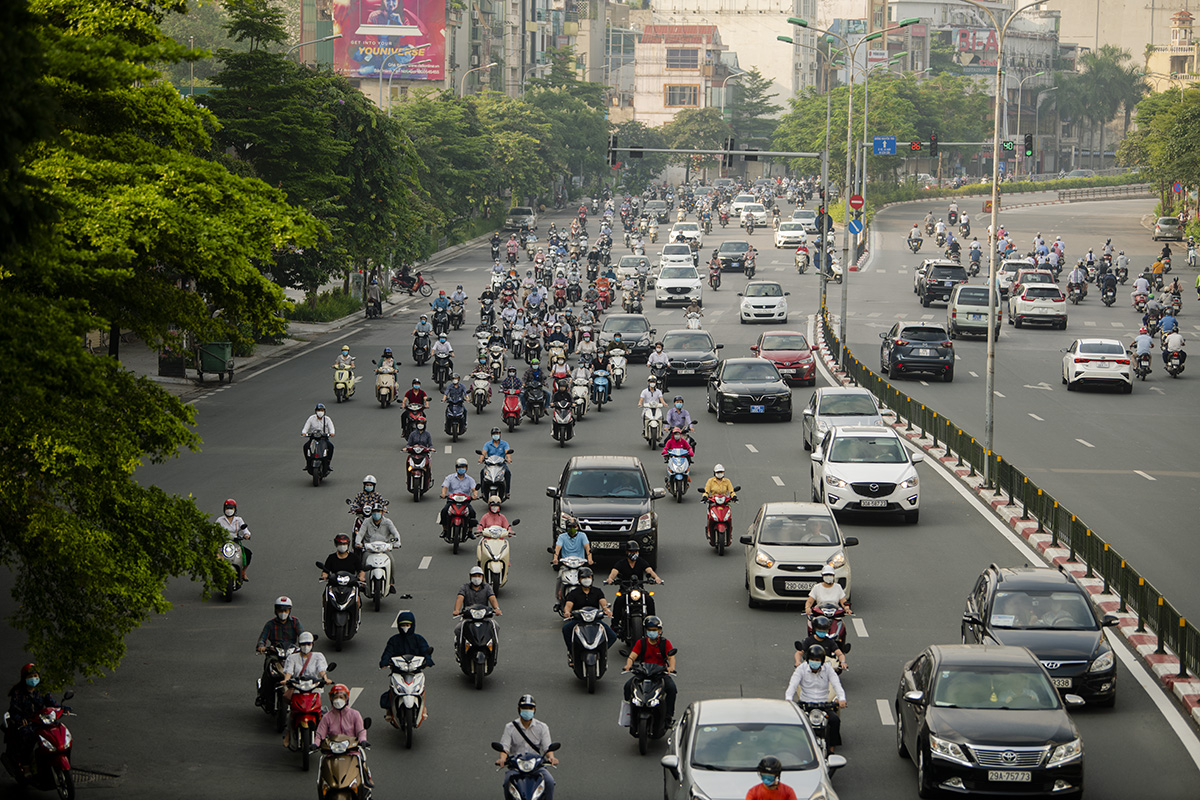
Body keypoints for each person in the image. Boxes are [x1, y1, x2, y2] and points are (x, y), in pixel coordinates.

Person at [784, 644, 846, 754]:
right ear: (808, 660)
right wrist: (788, 700)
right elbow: (792, 686)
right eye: (812, 659)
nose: (814, 662)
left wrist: (842, 699)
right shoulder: (801, 669)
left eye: (817, 660)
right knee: (794, 724)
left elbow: (836, 684)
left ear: (822, 661)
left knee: (835, 720)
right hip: (805, 704)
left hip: (823, 705)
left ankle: (831, 747)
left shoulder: (828, 669)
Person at [495, 695, 558, 797]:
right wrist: (502, 759)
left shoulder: (542, 727)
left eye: (530, 708)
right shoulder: (510, 727)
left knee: (549, 781)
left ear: (534, 710)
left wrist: (551, 758)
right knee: (507, 782)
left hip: (536, 766)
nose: (527, 710)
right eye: (524, 708)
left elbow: (547, 748)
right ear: (519, 709)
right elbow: (504, 748)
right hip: (516, 767)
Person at [379, 611, 434, 726]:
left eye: (408, 625)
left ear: (412, 625)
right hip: (398, 672)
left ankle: (422, 707)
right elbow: (387, 653)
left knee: (421, 690)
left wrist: (428, 661)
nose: (405, 628)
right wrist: (384, 662)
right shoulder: (394, 640)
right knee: (392, 690)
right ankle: (389, 710)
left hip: (415, 671)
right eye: (403, 625)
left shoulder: (419, 639)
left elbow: (425, 651)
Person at [5, 664, 66, 768]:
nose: (34, 679)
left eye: (35, 676)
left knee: (57, 730)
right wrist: (21, 719)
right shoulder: (18, 693)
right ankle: (25, 764)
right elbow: (13, 710)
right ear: (24, 678)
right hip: (28, 723)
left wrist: (63, 709)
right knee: (28, 735)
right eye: (30, 676)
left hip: (42, 720)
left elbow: (52, 703)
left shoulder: (42, 690)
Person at [622, 616, 678, 723]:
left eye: (654, 630)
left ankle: (668, 716)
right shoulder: (641, 643)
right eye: (649, 630)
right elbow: (632, 656)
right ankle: (630, 713)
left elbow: (671, 657)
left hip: (660, 673)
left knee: (671, 689)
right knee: (628, 687)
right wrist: (628, 665)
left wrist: (671, 667)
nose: (652, 632)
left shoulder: (665, 643)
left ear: (659, 631)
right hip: (643, 672)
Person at [314, 684, 372, 787]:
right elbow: (319, 733)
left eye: (341, 697)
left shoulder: (355, 714)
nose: (338, 700)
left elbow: (361, 731)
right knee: (324, 769)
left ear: (346, 698)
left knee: (362, 762)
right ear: (331, 699)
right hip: (332, 752)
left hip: (351, 750)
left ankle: (367, 782)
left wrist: (363, 740)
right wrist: (316, 743)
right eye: (335, 697)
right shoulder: (327, 717)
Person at [280, 631, 331, 745]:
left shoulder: (318, 656)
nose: (306, 646)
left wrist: (325, 678)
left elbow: (321, 669)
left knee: (319, 711)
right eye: (303, 644)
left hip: (314, 688)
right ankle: (288, 733)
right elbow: (288, 671)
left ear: (312, 644)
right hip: (298, 688)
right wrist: (286, 679)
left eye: (308, 644)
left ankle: (324, 734)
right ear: (299, 644)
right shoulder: (292, 657)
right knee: (293, 711)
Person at [256, 597, 304, 710]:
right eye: (280, 610)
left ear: (289, 611)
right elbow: (262, 638)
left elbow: (302, 635)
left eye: (286, 610)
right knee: (268, 672)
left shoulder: (295, 622)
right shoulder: (270, 624)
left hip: (292, 654)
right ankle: (262, 695)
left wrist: (305, 644)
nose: (283, 613)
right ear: (276, 610)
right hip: (275, 655)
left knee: (301, 674)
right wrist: (261, 646)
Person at [605, 541, 662, 634]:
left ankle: (652, 623)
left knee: (649, 600)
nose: (634, 554)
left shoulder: (641, 561)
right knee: (619, 600)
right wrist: (610, 579)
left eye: (636, 552)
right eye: (632, 552)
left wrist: (656, 578)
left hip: (639, 589)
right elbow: (614, 572)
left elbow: (649, 570)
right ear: (627, 552)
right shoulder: (621, 563)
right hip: (625, 589)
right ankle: (614, 625)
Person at [561, 566, 617, 660]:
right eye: (583, 578)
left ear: (592, 578)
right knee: (566, 629)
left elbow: (603, 603)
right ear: (579, 579)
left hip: (595, 620)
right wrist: (567, 612)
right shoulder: (574, 593)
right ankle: (572, 653)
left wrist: (607, 610)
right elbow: (568, 605)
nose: (586, 580)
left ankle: (601, 652)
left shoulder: (597, 591)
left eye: (589, 577)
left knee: (612, 636)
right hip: (579, 621)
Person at [453, 566, 502, 648]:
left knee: (496, 626)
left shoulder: (487, 587)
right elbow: (460, 598)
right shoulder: (464, 587)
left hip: (484, 617)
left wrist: (497, 608)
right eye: (474, 576)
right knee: (458, 629)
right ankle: (460, 648)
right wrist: (456, 610)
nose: (477, 578)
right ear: (470, 577)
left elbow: (492, 598)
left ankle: (493, 648)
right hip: (468, 617)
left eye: (479, 576)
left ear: (482, 577)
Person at [356, 507, 401, 594]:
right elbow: (360, 534)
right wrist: (358, 542)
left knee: (392, 562)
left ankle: (391, 583)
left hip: (384, 548)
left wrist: (397, 542)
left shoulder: (387, 522)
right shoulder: (366, 522)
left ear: (382, 512)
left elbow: (395, 533)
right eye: (375, 511)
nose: (376, 513)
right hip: (370, 548)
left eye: (378, 511)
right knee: (363, 561)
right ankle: (363, 582)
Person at [439, 458, 479, 538]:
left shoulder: (470, 479)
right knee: (444, 512)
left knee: (472, 513)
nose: (461, 469)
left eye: (463, 467)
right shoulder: (450, 478)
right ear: (456, 468)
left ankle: (470, 531)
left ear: (466, 468)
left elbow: (474, 489)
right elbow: (445, 487)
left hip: (465, 502)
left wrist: (475, 495)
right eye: (459, 467)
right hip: (452, 501)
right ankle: (445, 530)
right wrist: (443, 494)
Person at [217, 498, 251, 581]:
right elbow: (214, 531)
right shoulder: (220, 520)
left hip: (235, 543)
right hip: (222, 543)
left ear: (235, 509)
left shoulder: (238, 520)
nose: (229, 510)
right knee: (215, 556)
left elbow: (245, 530)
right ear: (224, 509)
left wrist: (246, 535)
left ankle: (243, 572)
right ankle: (216, 574)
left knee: (248, 554)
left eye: (231, 508)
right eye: (227, 508)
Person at [479, 427, 513, 499]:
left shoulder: (504, 444)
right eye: (494, 434)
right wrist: (481, 459)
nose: (496, 435)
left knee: (507, 472)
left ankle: (507, 492)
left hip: (501, 464)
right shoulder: (488, 444)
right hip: (490, 464)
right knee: (482, 472)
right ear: (491, 435)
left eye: (497, 434)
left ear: (500, 435)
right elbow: (484, 453)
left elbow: (507, 452)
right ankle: (482, 492)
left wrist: (509, 458)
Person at [300, 403, 335, 471]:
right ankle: (308, 463)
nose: (320, 412)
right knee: (305, 446)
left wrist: (332, 433)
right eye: (318, 410)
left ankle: (328, 463)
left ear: (324, 411)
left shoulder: (327, 419)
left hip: (323, 438)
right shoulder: (311, 418)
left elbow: (332, 428)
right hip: (313, 438)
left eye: (321, 410)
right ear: (316, 411)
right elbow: (306, 427)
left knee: (331, 446)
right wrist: (304, 432)